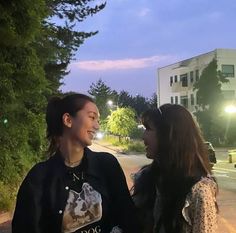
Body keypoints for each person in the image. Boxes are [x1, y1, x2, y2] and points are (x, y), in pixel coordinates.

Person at [12, 93, 140, 233]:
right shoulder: (39, 178)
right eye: (92, 117)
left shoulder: (107, 165)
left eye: (98, 120)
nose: (97, 126)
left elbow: (128, 217)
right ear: (68, 120)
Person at [132, 104, 218, 233]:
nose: (143, 137)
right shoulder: (147, 177)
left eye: (148, 129)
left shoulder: (198, 191)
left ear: (169, 135)